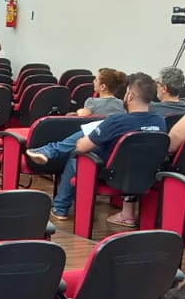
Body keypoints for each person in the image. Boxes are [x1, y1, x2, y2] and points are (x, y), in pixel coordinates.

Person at [25, 72, 165, 223]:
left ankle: (60, 208)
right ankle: (50, 151)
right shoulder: (160, 121)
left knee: (76, 156)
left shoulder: (117, 121)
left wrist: (85, 140)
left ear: (129, 96)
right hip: (144, 173)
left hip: (110, 173)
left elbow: (81, 147)